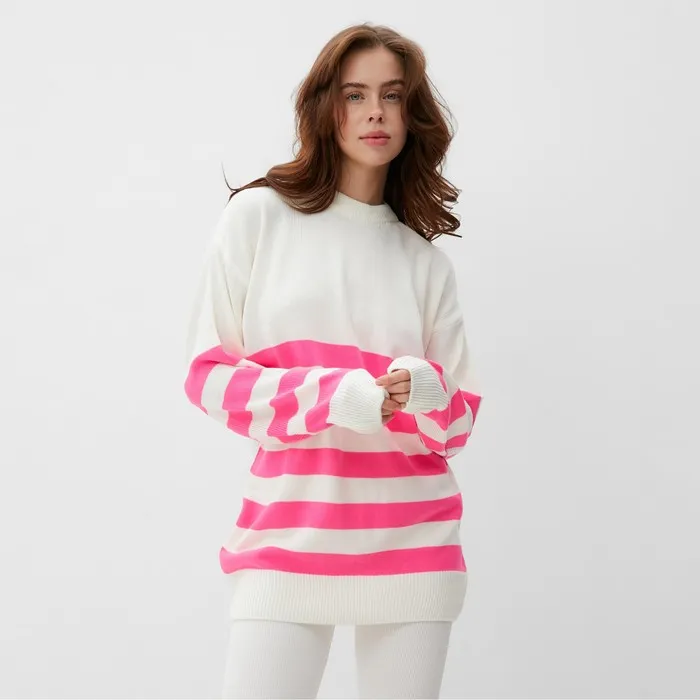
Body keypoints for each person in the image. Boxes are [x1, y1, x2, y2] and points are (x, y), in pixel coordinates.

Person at [182, 21, 483, 700]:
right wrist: (335, 397)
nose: (375, 112)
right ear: (326, 107)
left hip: (414, 548)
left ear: (412, 114)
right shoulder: (259, 218)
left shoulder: (424, 263)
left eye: (392, 95)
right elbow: (210, 379)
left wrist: (427, 390)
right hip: (286, 538)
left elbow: (459, 426)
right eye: (355, 95)